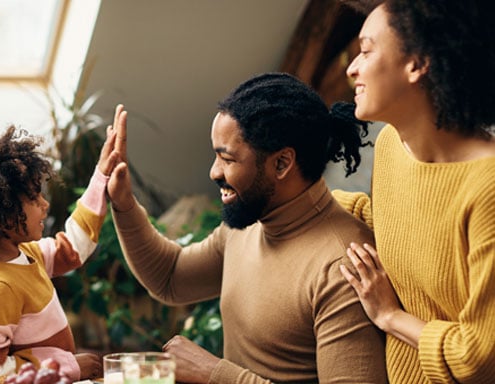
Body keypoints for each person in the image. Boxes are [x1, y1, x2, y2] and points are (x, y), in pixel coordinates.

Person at [105, 73, 388, 383]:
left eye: (227, 158)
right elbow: (171, 277)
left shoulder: (342, 267)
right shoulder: (248, 224)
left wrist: (215, 374)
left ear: (281, 164)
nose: (214, 172)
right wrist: (123, 203)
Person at [335, 1, 495, 383]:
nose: (352, 68)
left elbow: (479, 359)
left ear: (417, 64)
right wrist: (296, 201)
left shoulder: (487, 189)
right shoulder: (391, 145)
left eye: (367, 50)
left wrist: (389, 316)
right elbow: (406, 228)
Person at [0, 117, 117, 381]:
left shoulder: (27, 253)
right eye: (34, 197)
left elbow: (73, 247)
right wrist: (68, 366)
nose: (45, 204)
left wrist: (101, 175)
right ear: (2, 214)